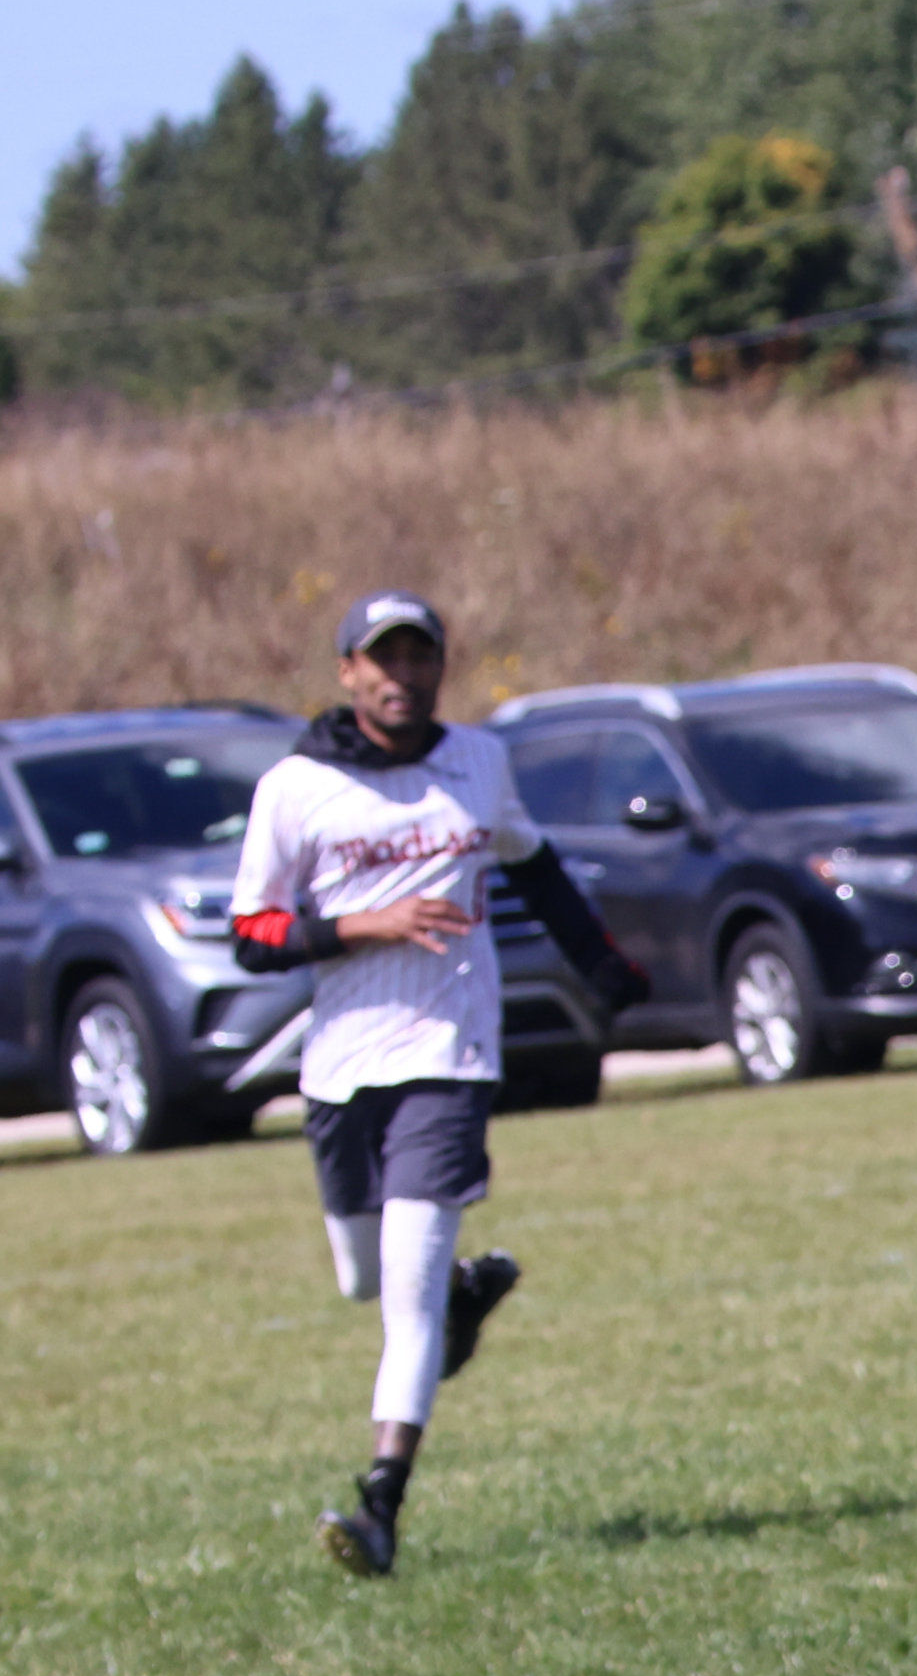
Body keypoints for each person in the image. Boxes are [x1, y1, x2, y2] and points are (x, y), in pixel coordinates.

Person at [230, 589, 650, 1578]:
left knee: (406, 1301)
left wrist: (605, 968)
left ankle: (380, 1506)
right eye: (384, 659)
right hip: (343, 1064)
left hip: (450, 1055)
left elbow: (534, 868)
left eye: (421, 657)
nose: (404, 676)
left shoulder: (479, 763)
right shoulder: (297, 787)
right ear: (348, 672)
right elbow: (251, 935)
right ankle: (464, 1300)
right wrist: (362, 925)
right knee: (365, 1278)